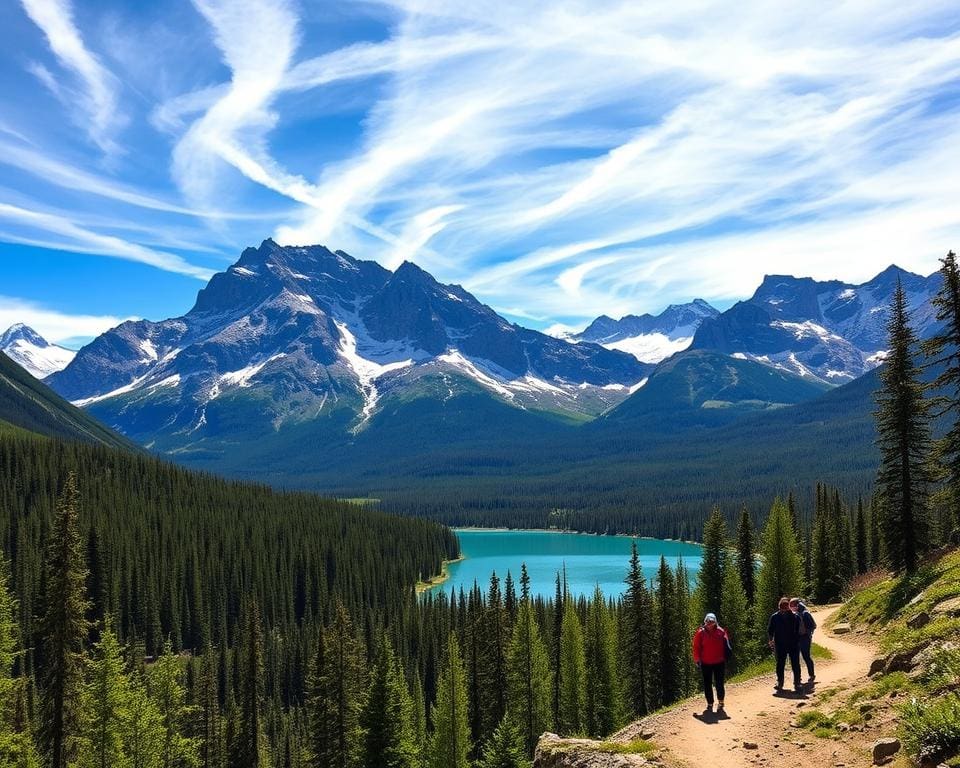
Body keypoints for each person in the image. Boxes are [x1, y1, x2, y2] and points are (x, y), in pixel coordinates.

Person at [692, 612, 730, 712]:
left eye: (712, 622)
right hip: (705, 663)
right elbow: (696, 647)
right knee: (707, 684)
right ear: (705, 622)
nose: (709, 624)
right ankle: (710, 703)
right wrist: (697, 659)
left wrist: (727, 656)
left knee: (719, 683)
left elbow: (727, 646)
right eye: (708, 621)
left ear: (715, 622)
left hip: (719, 662)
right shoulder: (700, 633)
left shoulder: (721, 631)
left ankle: (721, 701)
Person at [767, 596, 802, 693]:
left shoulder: (795, 617)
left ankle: (797, 683)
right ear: (779, 607)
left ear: (788, 607)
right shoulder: (774, 617)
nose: (784, 611)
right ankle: (780, 683)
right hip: (780, 644)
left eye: (786, 609)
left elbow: (798, 630)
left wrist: (797, 640)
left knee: (795, 664)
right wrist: (771, 641)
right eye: (782, 609)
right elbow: (770, 630)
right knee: (780, 664)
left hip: (793, 644)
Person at [790, 597, 817, 683]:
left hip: (804, 638)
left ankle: (811, 674)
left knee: (806, 657)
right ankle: (798, 678)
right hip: (796, 639)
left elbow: (813, 625)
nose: (791, 607)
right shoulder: (794, 614)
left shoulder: (805, 613)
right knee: (795, 659)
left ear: (797, 605)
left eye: (792, 605)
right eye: (790, 606)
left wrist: (808, 633)